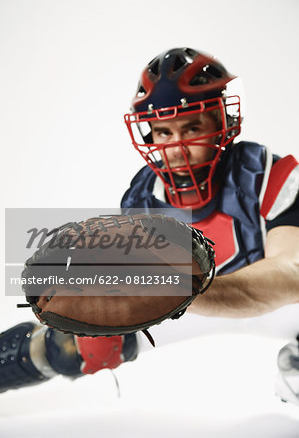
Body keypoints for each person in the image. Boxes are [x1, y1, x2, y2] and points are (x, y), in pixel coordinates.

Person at [1, 47, 299, 403]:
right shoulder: (143, 198)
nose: (177, 147)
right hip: (191, 308)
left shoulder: (269, 174)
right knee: (72, 345)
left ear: (222, 122)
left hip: (280, 308)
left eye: (192, 127)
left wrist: (178, 285)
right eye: (163, 131)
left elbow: (291, 273)